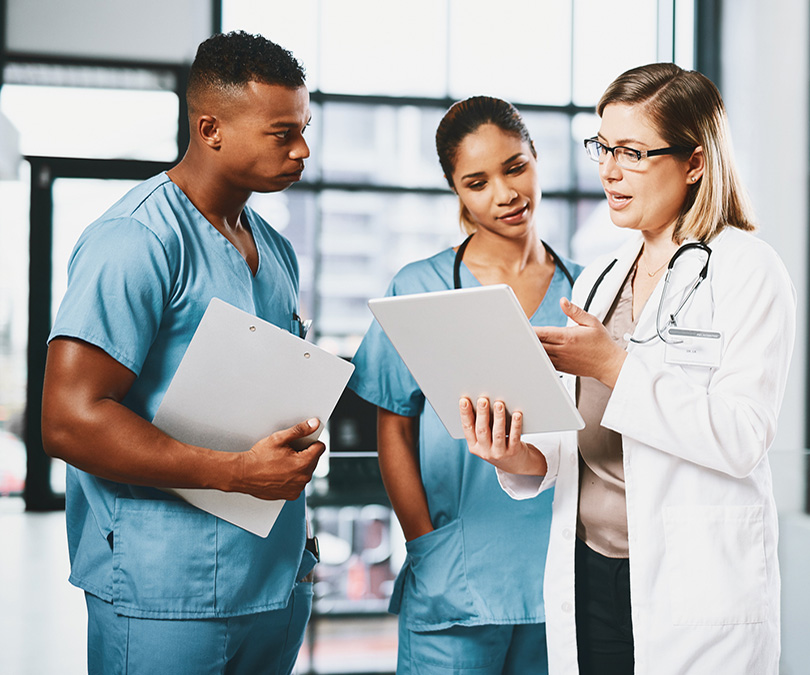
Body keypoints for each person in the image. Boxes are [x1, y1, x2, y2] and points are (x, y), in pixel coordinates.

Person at [460, 63, 797, 674]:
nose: (609, 171)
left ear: (694, 161)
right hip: (589, 573)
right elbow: (573, 447)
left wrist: (614, 364)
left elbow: (743, 437)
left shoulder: (750, 269)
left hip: (693, 581)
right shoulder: (600, 278)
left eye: (634, 153)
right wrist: (514, 456)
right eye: (604, 147)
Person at [41, 31, 322, 675]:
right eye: (283, 133)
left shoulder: (274, 251)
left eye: (304, 128)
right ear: (210, 128)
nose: (302, 150)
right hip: (164, 588)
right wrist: (231, 473)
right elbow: (68, 419)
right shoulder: (134, 241)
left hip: (272, 582)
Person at [349, 96, 583, 675]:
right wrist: (423, 542)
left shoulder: (588, 292)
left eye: (515, 167)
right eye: (477, 182)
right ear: (456, 190)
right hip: (457, 576)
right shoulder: (421, 287)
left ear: (536, 159)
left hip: (559, 580)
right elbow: (395, 432)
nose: (504, 193)